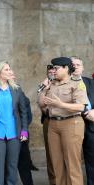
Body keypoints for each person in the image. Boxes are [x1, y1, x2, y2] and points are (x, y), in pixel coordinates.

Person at [38, 57, 88, 185]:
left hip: (71, 123)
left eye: (56, 68)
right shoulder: (52, 83)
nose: (53, 71)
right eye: (53, 68)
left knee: (72, 165)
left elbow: (82, 106)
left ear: (66, 68)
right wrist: (44, 89)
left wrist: (61, 104)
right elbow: (41, 105)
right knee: (56, 164)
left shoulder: (77, 83)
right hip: (53, 124)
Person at [0, 61, 28, 185]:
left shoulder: (16, 89)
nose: (10, 71)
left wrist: (24, 130)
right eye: (6, 69)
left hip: (15, 134)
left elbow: (23, 111)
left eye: (10, 69)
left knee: (12, 167)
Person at [71, 56, 94, 185]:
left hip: (91, 128)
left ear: (83, 67)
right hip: (72, 127)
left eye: (78, 65)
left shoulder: (91, 83)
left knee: (92, 162)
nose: (75, 67)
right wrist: (85, 111)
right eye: (72, 65)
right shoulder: (62, 84)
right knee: (72, 162)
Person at [39, 64, 56, 185]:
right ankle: (53, 181)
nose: (51, 74)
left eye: (53, 72)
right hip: (48, 120)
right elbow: (41, 105)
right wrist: (44, 88)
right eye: (49, 72)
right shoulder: (44, 84)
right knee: (50, 154)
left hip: (64, 121)